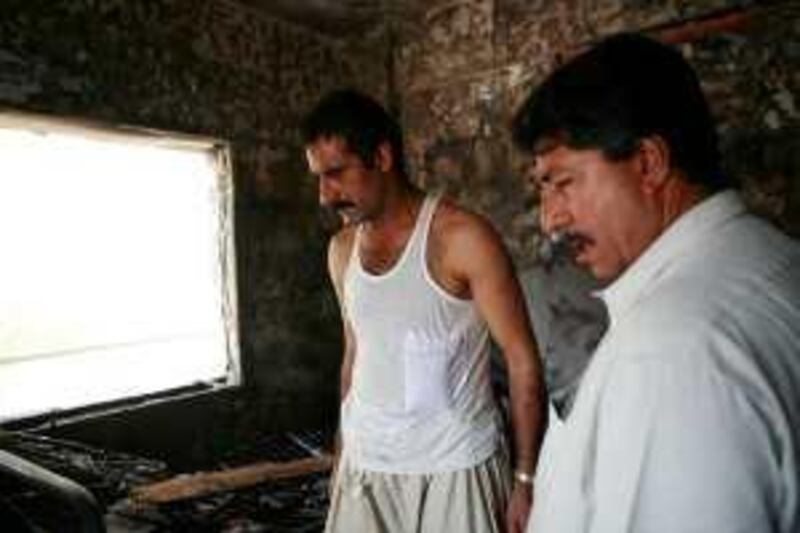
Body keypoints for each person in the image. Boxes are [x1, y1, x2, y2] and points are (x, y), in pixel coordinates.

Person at [511, 32, 800, 533]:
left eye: (563, 183)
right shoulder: (774, 256)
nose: (550, 220)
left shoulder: (672, 354)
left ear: (649, 163)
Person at [301, 89, 547, 533]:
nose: (324, 194)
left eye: (336, 173)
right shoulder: (340, 251)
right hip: (367, 467)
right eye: (318, 177)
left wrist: (525, 479)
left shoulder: (462, 238)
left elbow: (521, 360)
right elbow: (354, 353)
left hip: (455, 468)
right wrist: (343, 447)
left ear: (381, 156)